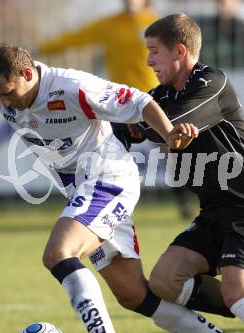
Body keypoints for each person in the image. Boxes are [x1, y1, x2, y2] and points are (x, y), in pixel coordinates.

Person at [0, 44, 224, 333]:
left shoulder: (72, 87)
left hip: (107, 179)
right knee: (132, 294)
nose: (4, 101)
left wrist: (168, 133)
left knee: (58, 253)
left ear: (28, 74)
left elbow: (139, 101)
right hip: (83, 190)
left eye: (8, 93)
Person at [119, 14, 244, 332]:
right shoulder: (162, 96)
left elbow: (164, 126)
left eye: (154, 51)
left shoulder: (211, 82)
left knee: (237, 293)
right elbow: (133, 126)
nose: (148, 60)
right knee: (164, 282)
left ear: (179, 51)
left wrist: (155, 130)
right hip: (214, 212)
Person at [39, 0, 194, 219]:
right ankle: (110, 207)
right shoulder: (110, 24)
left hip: (152, 100)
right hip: (119, 104)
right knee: (110, 154)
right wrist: (42, 49)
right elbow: (77, 37)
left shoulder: (156, 23)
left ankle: (184, 202)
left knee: (169, 150)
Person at [198, 0, 244, 69]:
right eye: (221, 2)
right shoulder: (208, 28)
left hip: (239, 75)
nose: (222, 6)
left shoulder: (243, 30)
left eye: (224, 3)